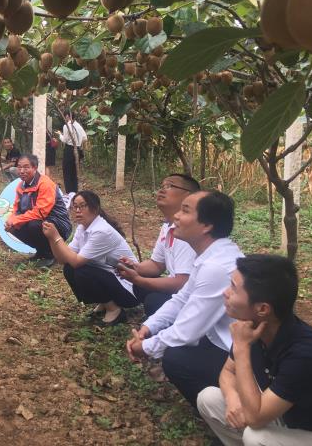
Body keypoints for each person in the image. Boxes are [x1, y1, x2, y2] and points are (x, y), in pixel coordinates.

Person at [198, 255, 312, 446]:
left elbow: (255, 418)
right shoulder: (254, 325)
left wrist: (242, 348)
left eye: (234, 289)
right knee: (208, 398)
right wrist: (232, 398)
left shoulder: (306, 354)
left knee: (256, 437)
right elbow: (228, 372)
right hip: (281, 415)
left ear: (263, 309)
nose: (225, 293)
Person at [126, 191, 243, 409]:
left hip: (241, 356)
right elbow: (181, 299)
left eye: (185, 210)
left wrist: (145, 347)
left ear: (206, 225)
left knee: (176, 359)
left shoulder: (216, 267)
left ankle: (223, 414)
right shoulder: (209, 256)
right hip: (220, 340)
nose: (176, 216)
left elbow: (186, 331)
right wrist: (148, 327)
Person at [42, 190, 139, 325]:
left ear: (95, 208)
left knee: (82, 270)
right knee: (69, 269)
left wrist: (57, 237)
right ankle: (104, 302)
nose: (77, 210)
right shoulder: (82, 228)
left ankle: (114, 309)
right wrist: (51, 239)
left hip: (129, 288)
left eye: (82, 206)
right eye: (75, 206)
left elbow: (76, 262)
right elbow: (63, 259)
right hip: (111, 279)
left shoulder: (101, 231)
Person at [118, 174, 200, 316]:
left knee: (155, 301)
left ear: (189, 196)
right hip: (182, 290)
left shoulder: (189, 230)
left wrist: (139, 279)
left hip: (196, 296)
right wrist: (135, 267)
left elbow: (183, 283)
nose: (161, 191)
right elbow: (157, 264)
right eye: (162, 186)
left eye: (170, 186)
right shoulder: (168, 225)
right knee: (141, 288)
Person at [4, 154, 72, 269]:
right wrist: (11, 220)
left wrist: (16, 220)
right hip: (39, 222)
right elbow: (16, 208)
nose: (22, 171)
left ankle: (50, 255)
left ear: (34, 168)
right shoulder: (21, 186)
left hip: (58, 225)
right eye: (19, 167)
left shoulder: (45, 183)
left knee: (33, 224)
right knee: (12, 227)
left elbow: (40, 212)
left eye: (26, 167)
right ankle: (41, 252)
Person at [58, 112, 87, 193]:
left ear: (68, 116)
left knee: (67, 171)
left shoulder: (66, 126)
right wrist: (78, 142)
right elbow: (85, 138)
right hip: (77, 150)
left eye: (65, 116)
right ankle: (75, 191)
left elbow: (65, 140)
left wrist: (60, 135)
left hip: (69, 150)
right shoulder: (78, 125)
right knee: (74, 172)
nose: (64, 117)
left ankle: (69, 192)